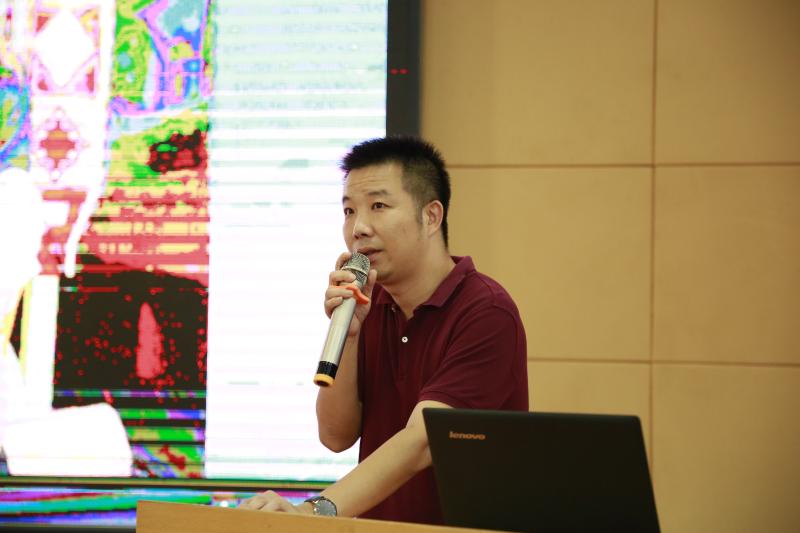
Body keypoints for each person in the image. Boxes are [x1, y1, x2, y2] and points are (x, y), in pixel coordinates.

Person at [240, 136, 529, 524]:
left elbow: (424, 440)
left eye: (378, 206)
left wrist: (314, 510)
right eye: (349, 210)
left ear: (431, 216)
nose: (358, 228)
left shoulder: (486, 312)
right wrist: (350, 335)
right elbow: (336, 435)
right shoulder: (367, 304)